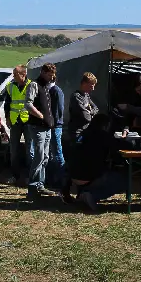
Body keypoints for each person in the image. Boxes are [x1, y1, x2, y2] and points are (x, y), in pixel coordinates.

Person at [61, 72, 99, 203]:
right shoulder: (76, 96)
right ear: (83, 84)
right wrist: (90, 112)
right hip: (76, 134)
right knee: (73, 163)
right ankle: (64, 191)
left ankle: (81, 193)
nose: (92, 88)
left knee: (83, 163)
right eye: (91, 85)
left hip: (85, 133)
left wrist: (91, 110)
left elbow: (96, 110)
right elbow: (86, 116)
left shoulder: (87, 96)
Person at [24, 63, 57, 200]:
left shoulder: (46, 86)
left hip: (46, 127)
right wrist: (40, 115)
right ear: (43, 72)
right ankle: (32, 188)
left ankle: (40, 184)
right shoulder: (34, 85)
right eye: (49, 74)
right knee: (38, 156)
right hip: (37, 126)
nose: (51, 77)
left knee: (45, 157)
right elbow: (28, 104)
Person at [2, 65, 32, 185]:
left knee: (31, 151)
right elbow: (7, 104)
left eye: (15, 74)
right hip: (15, 121)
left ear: (23, 74)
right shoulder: (10, 86)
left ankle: (30, 177)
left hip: (29, 121)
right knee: (13, 150)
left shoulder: (32, 85)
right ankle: (15, 176)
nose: (13, 76)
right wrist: (8, 118)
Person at [46, 76, 66, 189]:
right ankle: (52, 178)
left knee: (58, 153)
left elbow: (58, 110)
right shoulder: (49, 90)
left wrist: (53, 123)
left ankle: (61, 179)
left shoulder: (56, 91)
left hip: (55, 126)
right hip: (51, 125)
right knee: (51, 153)